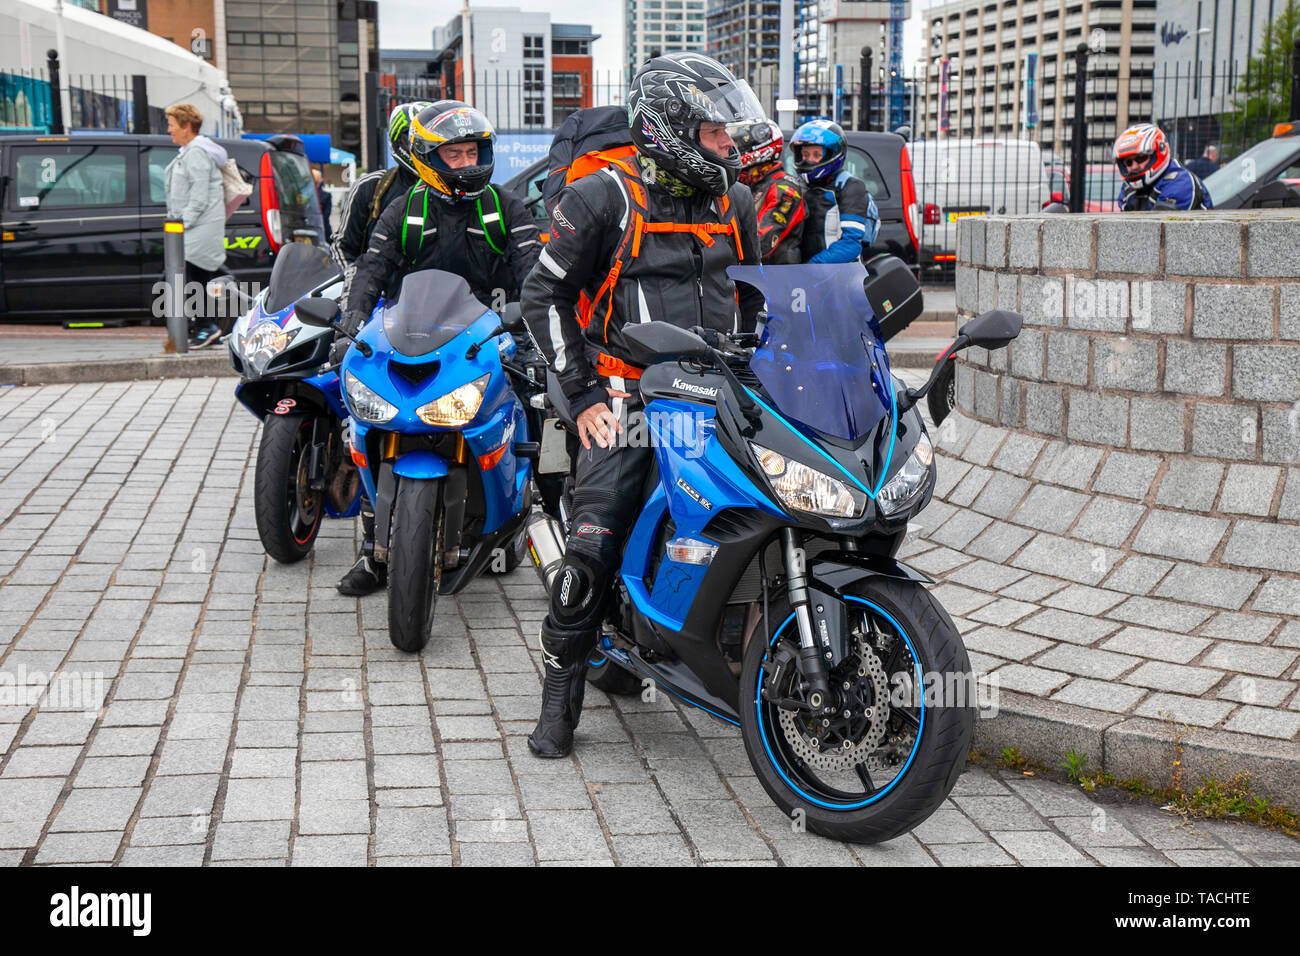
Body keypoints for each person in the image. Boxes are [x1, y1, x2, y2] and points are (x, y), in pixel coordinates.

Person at [520, 52, 765, 759]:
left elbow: (757, 296)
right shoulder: (603, 196)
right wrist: (586, 395)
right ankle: (560, 692)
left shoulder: (737, 202)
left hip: (717, 392)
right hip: (628, 395)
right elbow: (544, 295)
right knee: (594, 544)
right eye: (718, 133)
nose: (730, 146)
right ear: (672, 130)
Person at [334, 101, 542, 596]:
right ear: (429, 158)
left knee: (535, 406)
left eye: (473, 152)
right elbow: (372, 268)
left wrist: (537, 333)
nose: (468, 162)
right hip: (409, 335)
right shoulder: (404, 208)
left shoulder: (506, 207)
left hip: (486, 337)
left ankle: (542, 521)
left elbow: (535, 274)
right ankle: (372, 550)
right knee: (367, 425)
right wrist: (349, 324)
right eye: (455, 155)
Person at [330, 101, 429, 277]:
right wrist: (354, 286)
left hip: (442, 295)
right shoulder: (370, 186)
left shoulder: (459, 189)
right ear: (399, 141)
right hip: (380, 296)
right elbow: (342, 247)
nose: (424, 148)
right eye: (415, 140)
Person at [163, 103, 228, 349]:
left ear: (187, 126)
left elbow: (199, 196)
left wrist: (179, 226)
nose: (169, 130)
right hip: (194, 229)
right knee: (194, 277)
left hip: (197, 230)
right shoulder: (189, 152)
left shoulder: (197, 153)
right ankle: (204, 327)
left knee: (192, 278)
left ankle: (206, 327)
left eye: (172, 125)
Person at [789, 119, 880, 264]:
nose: (808, 160)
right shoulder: (797, 187)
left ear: (832, 154)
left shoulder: (850, 187)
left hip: (839, 275)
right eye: (805, 154)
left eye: (816, 155)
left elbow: (850, 244)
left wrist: (812, 267)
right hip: (802, 277)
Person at [735, 119, 805, 264]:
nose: (734, 151)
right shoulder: (751, 183)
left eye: (738, 146)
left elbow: (763, 240)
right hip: (754, 274)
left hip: (777, 278)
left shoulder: (785, 187)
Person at [1115, 124, 1212, 211]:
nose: (1134, 166)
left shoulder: (1180, 182)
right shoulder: (1129, 187)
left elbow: (1159, 227)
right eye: (1128, 162)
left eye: (1141, 158)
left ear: (1159, 153)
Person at [312, 168, 333, 243]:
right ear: (319, 180)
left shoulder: (306, 196)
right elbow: (327, 215)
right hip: (324, 230)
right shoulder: (326, 196)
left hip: (310, 228)